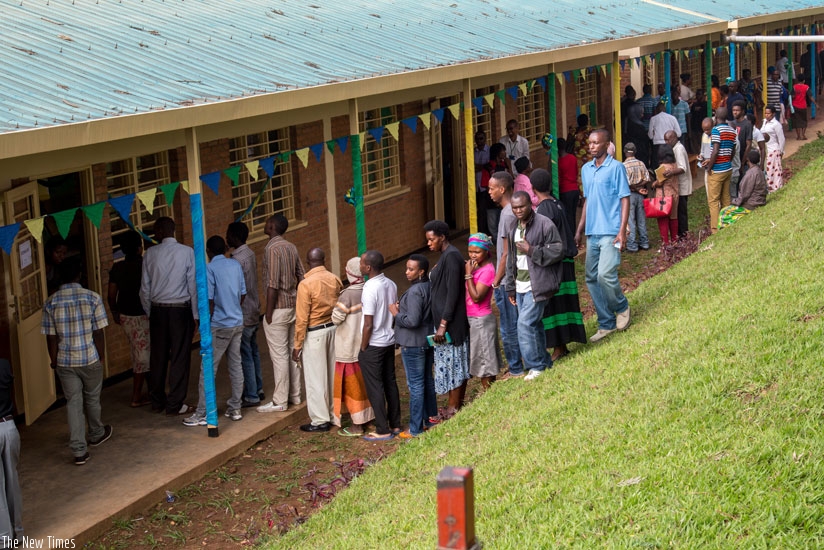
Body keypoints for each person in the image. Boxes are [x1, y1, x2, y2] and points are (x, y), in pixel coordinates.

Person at [42, 258, 111, 465]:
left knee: (73, 403)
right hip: (90, 357)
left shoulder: (51, 302)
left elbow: (51, 337)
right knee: (92, 398)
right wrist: (101, 355)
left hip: (65, 361)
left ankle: (79, 451)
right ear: (79, 275)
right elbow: (99, 332)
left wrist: (54, 360)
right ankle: (97, 432)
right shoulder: (93, 298)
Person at [574, 129, 631, 343]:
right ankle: (606, 322)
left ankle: (621, 306)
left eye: (596, 143)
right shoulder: (586, 170)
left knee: (605, 274)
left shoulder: (616, 168)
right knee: (591, 277)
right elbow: (587, 200)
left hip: (611, 231)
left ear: (607, 145)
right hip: (592, 232)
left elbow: (625, 199)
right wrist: (579, 229)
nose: (591, 146)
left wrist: (622, 231)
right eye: (590, 143)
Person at [183, 236, 247, 426]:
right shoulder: (235, 265)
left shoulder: (210, 269)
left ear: (209, 252)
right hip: (237, 322)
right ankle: (235, 407)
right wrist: (233, 309)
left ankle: (202, 412)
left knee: (208, 369)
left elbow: (209, 300)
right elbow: (243, 294)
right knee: (236, 365)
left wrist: (206, 324)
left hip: (220, 324)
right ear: (225, 248)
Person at [140, 216, 197, 417]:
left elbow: (144, 289)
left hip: (158, 309)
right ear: (173, 231)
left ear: (161, 231)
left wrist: (151, 312)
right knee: (180, 356)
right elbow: (192, 285)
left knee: (158, 356)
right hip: (180, 309)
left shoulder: (150, 254)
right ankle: (174, 403)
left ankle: (157, 401)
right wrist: (195, 315)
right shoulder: (187, 252)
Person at [505, 192, 565, 380]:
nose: (518, 211)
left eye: (522, 207)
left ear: (530, 204)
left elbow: (558, 250)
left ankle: (535, 366)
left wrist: (532, 250)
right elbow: (511, 259)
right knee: (534, 324)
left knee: (524, 324)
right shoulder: (512, 226)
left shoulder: (544, 223)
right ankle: (544, 362)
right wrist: (510, 286)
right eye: (515, 208)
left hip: (538, 283)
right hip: (520, 284)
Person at [530, 169, 587, 360]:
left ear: (532, 188)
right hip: (566, 261)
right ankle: (563, 344)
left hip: (556, 264)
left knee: (556, 305)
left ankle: (559, 347)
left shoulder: (544, 209)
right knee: (564, 302)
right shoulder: (557, 203)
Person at [258, 214, 305, 413]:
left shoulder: (271, 249)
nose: (265, 223)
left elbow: (272, 284)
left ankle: (280, 401)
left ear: (271, 227)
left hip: (277, 309)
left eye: (267, 221)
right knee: (293, 353)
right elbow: (302, 276)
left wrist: (268, 313)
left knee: (279, 356)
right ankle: (295, 396)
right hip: (293, 306)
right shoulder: (291, 247)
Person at [292, 248, 342, 433]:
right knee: (331, 374)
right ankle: (332, 414)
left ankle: (320, 420)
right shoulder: (334, 278)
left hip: (315, 334)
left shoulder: (305, 284)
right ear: (324, 259)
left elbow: (302, 318)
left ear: (307, 261)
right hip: (333, 329)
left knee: (315, 379)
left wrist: (297, 345)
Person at [424, 220, 470, 416]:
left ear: (442, 237)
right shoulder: (445, 256)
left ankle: (454, 406)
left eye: (431, 239)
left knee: (455, 363)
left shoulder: (452, 257)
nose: (429, 243)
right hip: (444, 322)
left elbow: (453, 293)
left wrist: (443, 323)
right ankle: (453, 403)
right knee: (449, 362)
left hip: (451, 324)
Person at [389, 254, 437, 439]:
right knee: (427, 380)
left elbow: (413, 320)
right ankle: (430, 419)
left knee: (416, 385)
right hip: (425, 341)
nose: (407, 272)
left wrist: (396, 313)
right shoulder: (428, 287)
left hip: (413, 343)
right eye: (407, 268)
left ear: (421, 271)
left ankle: (415, 428)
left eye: (411, 269)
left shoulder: (416, 291)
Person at [358, 250, 401, 441]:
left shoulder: (369, 287)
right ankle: (395, 423)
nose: (360, 266)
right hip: (388, 340)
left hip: (374, 343)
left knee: (375, 386)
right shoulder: (391, 283)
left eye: (361, 263)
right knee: (390, 382)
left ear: (368, 267)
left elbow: (368, 323)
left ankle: (382, 429)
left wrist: (363, 347)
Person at [331, 257, 375, 436]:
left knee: (352, 388)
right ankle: (371, 418)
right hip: (365, 346)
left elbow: (336, 318)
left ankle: (357, 424)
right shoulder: (368, 289)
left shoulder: (348, 295)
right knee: (366, 385)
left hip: (348, 349)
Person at [487, 173, 523, 379]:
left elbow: (506, 254)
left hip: (507, 280)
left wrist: (496, 281)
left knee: (509, 326)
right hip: (509, 278)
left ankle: (516, 368)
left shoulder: (508, 214)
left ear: (502, 189)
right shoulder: (508, 212)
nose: (489, 191)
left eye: (492, 188)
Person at [108, 231, 150, 408]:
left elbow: (110, 296)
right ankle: (136, 397)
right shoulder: (146, 266)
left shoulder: (117, 268)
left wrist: (115, 313)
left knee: (140, 354)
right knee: (143, 357)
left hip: (126, 317)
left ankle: (151, 390)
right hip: (144, 316)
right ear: (140, 248)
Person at [226, 222, 264, 409]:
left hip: (244, 312)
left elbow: (236, 289)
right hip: (254, 309)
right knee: (253, 350)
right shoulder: (249, 253)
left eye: (228, 235)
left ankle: (251, 395)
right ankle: (258, 388)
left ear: (234, 237)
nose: (226, 238)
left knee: (245, 354)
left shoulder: (236, 260)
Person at [464, 233, 502, 388]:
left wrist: (468, 275)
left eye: (477, 252)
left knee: (486, 362)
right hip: (473, 319)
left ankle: (489, 393)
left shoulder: (487, 270)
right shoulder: (475, 267)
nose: (473, 255)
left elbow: (477, 297)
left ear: (486, 251)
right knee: (481, 358)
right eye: (470, 251)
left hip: (481, 320)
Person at [701, 107, 736, 233]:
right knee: (726, 198)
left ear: (716, 117)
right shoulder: (732, 130)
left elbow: (715, 150)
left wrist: (709, 167)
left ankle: (715, 229)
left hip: (717, 170)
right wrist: (727, 160)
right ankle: (727, 224)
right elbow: (733, 150)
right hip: (727, 168)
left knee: (713, 201)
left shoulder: (716, 130)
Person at [0, 359, 22, 542]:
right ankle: (17, 532)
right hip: (9, 427)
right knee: (12, 481)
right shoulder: (5, 365)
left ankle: (4, 539)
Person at [719, 150, 767, 229]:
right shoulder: (759, 171)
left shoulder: (750, 174)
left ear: (748, 160)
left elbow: (745, 194)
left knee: (724, 212)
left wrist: (734, 202)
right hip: (760, 200)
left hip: (752, 204)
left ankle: (723, 229)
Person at [622, 142, 651, 253]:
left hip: (629, 195)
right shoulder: (641, 163)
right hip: (640, 195)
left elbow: (627, 183)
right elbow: (647, 178)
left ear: (625, 152)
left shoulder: (623, 165)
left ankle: (632, 245)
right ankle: (644, 242)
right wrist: (639, 187)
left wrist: (635, 188)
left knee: (631, 221)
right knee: (641, 219)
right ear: (635, 152)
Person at [650, 145, 680, 246]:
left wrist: (653, 184)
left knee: (663, 219)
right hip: (674, 194)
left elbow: (660, 183)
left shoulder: (663, 168)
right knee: (673, 218)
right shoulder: (674, 165)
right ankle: (675, 241)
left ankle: (665, 243)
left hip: (663, 197)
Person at [665, 130, 692, 238]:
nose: (666, 142)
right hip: (679, 185)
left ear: (674, 138)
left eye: (667, 139)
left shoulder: (679, 149)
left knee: (681, 212)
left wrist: (671, 172)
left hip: (682, 185)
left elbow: (682, 168)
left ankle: (684, 235)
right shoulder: (674, 148)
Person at [482, 142, 508, 239]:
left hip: (503, 200)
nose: (505, 153)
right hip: (491, 201)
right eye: (503, 151)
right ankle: (499, 246)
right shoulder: (488, 167)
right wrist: (495, 198)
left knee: (503, 225)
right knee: (493, 227)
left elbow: (509, 182)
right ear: (497, 153)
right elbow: (485, 185)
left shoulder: (504, 165)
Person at [556, 138, 580, 234]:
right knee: (573, 215)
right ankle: (575, 235)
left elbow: (558, 177)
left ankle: (571, 237)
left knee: (567, 215)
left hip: (565, 191)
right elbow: (576, 172)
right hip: (575, 189)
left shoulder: (558, 162)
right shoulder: (573, 158)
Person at [648, 101, 680, 170]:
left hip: (657, 146)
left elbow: (650, 136)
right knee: (669, 163)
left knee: (657, 166)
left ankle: (658, 178)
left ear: (656, 110)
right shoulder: (672, 118)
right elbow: (679, 133)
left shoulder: (653, 119)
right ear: (665, 110)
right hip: (669, 145)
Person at [761, 105, 786, 192]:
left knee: (773, 170)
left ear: (773, 114)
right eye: (766, 113)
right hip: (765, 150)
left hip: (774, 150)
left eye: (769, 113)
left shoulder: (776, 125)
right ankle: (768, 188)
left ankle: (775, 188)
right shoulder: (764, 122)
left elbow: (781, 139)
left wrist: (781, 151)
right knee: (767, 169)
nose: (767, 115)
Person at [473, 130, 493, 236]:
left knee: (483, 210)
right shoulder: (473, 152)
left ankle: (483, 232)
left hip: (485, 185)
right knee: (478, 210)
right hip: (475, 185)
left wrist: (481, 166)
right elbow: (472, 167)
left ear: (485, 139)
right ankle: (480, 231)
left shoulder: (489, 151)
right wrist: (481, 166)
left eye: (481, 138)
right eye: (477, 139)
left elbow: (489, 166)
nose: (479, 141)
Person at [791, 73, 814, 140]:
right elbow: (810, 96)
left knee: (797, 121)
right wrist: (816, 104)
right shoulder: (806, 87)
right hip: (803, 106)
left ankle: (798, 136)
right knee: (804, 120)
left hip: (795, 106)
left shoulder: (794, 87)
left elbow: (792, 96)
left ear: (797, 80)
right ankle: (803, 134)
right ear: (804, 80)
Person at [689, 89, 708, 154]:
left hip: (702, 129)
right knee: (695, 145)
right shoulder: (694, 105)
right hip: (694, 128)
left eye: (699, 94)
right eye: (697, 94)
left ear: (703, 95)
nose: (697, 96)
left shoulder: (706, 105)